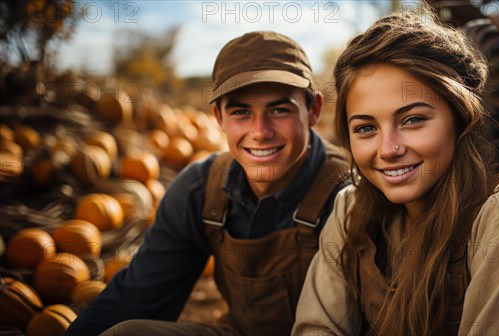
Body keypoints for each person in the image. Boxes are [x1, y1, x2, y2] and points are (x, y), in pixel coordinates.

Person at [292, 6, 499, 336]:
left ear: (462, 117)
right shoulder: (351, 209)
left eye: (414, 120)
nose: (389, 149)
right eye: (365, 128)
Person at [64, 31, 349, 336]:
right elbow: (134, 298)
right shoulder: (200, 191)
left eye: (279, 110)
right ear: (219, 117)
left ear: (313, 110)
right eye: (241, 112)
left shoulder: (349, 195)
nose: (261, 131)